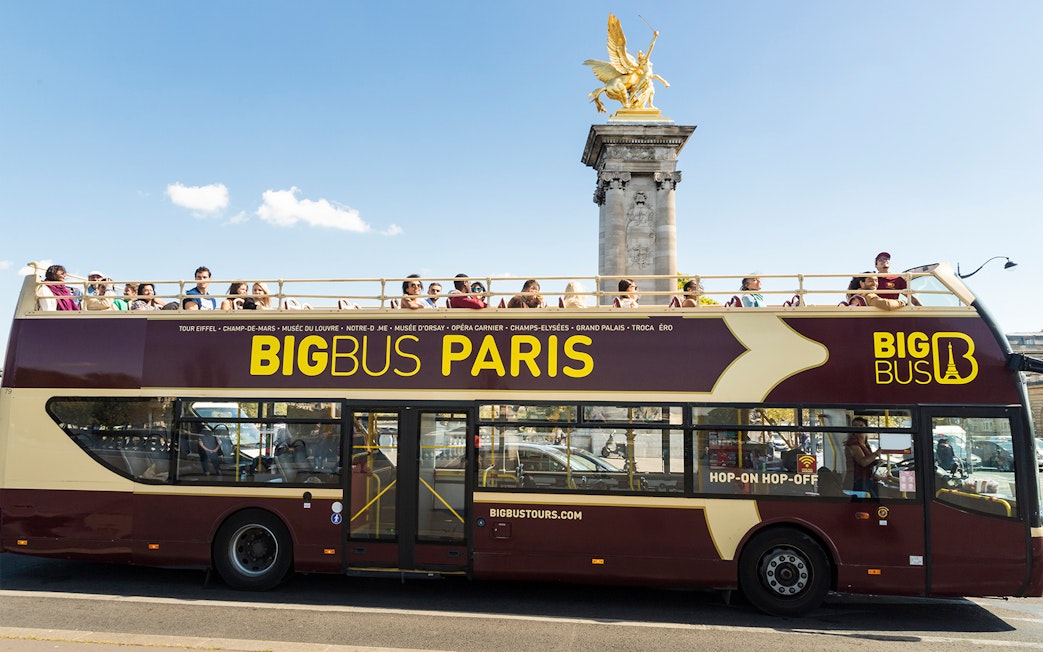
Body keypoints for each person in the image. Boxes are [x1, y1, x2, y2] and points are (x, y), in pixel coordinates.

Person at [845, 418, 880, 498]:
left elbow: (868, 461)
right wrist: (878, 452)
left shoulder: (865, 445)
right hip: (858, 481)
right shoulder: (853, 443)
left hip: (867, 480)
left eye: (861, 426)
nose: (858, 428)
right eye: (855, 426)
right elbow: (863, 462)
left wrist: (876, 462)